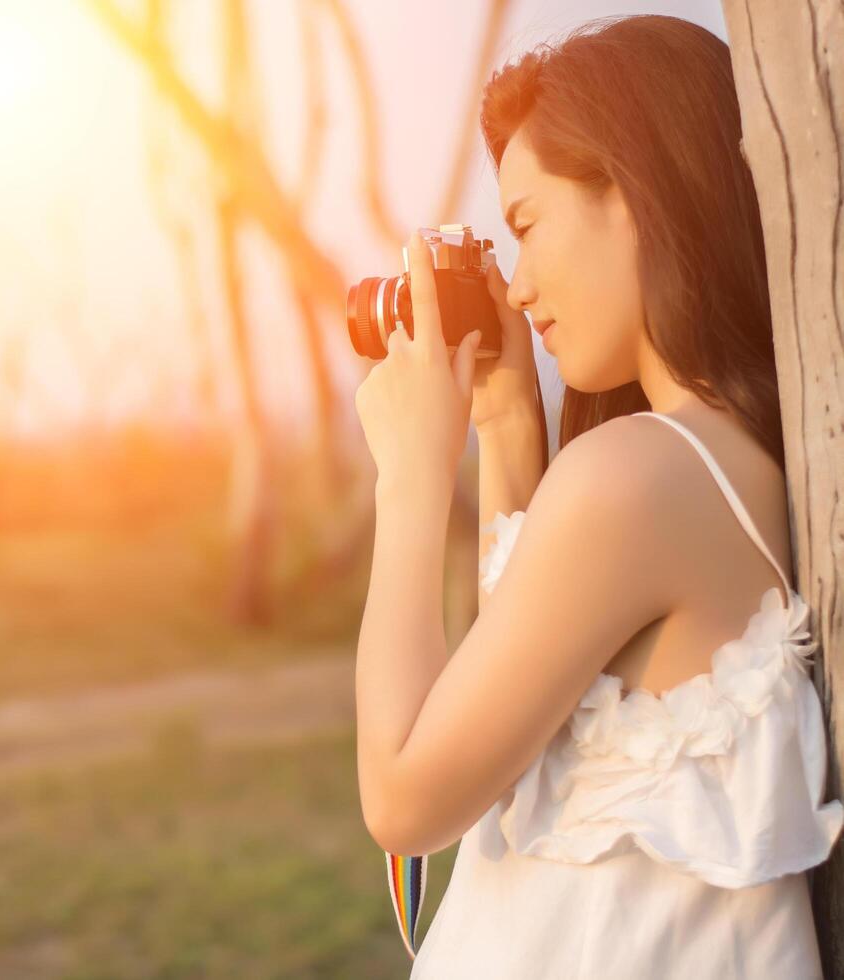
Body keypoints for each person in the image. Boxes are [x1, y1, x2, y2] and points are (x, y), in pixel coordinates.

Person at [348, 14, 844, 978]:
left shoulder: (637, 472)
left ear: (634, 190)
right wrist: (506, 427)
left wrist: (409, 480)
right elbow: (516, 714)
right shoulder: (716, 462)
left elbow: (406, 801)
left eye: (528, 224)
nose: (522, 285)